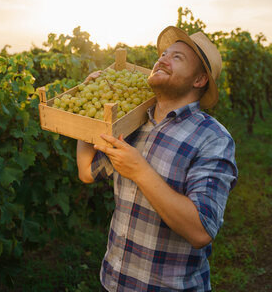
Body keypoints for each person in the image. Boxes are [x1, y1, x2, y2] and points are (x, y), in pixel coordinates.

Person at [76, 26, 238, 291]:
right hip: (114, 282)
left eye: (178, 57)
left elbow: (200, 232)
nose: (162, 59)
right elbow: (85, 170)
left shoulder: (213, 138)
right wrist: (86, 111)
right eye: (164, 53)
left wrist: (140, 170)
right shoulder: (132, 124)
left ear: (199, 80)